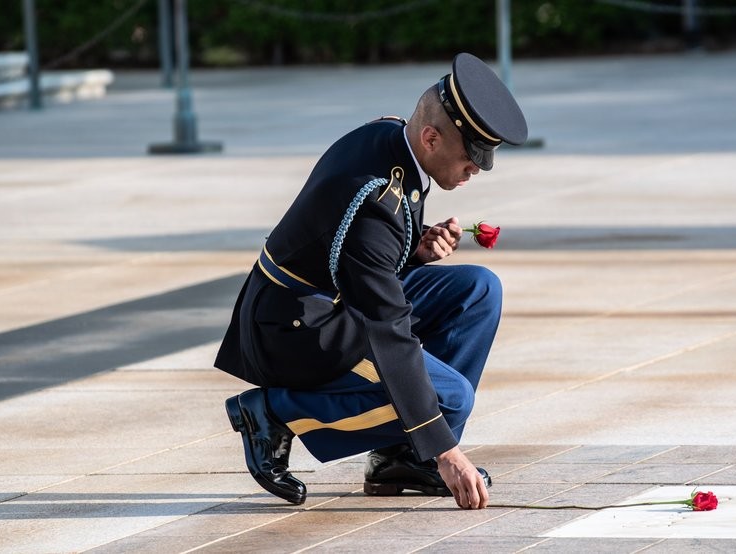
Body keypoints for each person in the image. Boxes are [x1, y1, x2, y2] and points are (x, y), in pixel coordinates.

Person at [215, 53, 528, 511]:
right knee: (450, 401)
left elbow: (360, 262)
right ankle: (272, 413)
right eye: (470, 157)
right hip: (297, 327)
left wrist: (415, 250)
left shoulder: (393, 140)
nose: (475, 170)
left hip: (332, 301)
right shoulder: (375, 198)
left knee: (476, 290)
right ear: (431, 137)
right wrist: (445, 448)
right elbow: (388, 327)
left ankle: (399, 460)